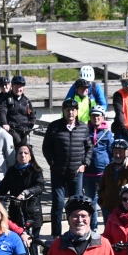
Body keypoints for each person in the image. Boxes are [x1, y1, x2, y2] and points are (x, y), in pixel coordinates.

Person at [42, 102, 90, 237]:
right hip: (58, 172)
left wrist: (84, 163)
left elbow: (89, 147)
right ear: (63, 111)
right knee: (58, 204)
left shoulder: (83, 128)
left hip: (76, 172)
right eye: (68, 110)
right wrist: (52, 164)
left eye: (73, 110)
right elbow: (46, 147)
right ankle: (56, 234)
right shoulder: (54, 127)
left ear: (77, 112)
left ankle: (75, 232)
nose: (70, 113)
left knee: (77, 205)